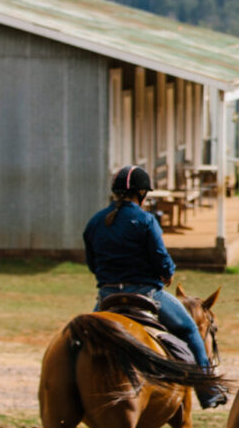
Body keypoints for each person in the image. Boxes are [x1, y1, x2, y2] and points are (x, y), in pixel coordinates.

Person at [82, 165, 227, 409]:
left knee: (84, 340)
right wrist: (167, 273)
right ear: (141, 193)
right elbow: (162, 259)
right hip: (146, 294)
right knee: (191, 330)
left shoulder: (95, 222)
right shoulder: (145, 220)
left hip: (107, 296)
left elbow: (92, 264)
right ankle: (208, 390)